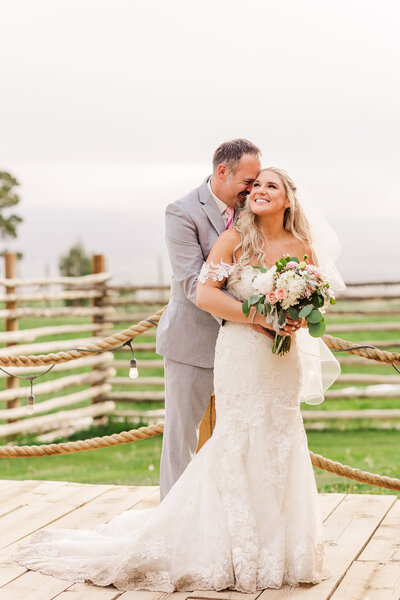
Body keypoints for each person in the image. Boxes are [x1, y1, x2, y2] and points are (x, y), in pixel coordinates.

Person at [12, 166, 343, 592]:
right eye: (255, 185)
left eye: (269, 186)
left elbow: (315, 299)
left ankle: (279, 549)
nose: (259, 191)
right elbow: (205, 294)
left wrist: (296, 321)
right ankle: (230, 547)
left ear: (288, 199)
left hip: (282, 362)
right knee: (238, 440)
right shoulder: (236, 239)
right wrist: (260, 316)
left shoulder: (303, 247)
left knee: (282, 439)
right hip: (242, 352)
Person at [156, 138, 268, 500]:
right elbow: (192, 285)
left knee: (240, 437)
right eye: (248, 183)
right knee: (181, 440)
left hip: (243, 349)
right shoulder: (181, 211)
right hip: (191, 343)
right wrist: (258, 314)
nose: (253, 190)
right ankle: (173, 529)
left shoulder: (253, 209)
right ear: (222, 171)